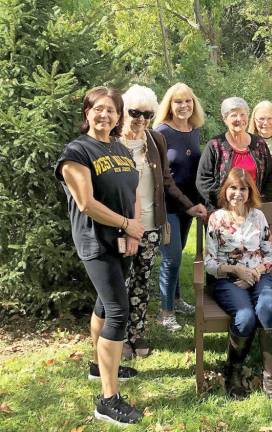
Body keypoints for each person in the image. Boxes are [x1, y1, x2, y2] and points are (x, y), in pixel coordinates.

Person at [55, 87, 144, 426]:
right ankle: (108, 399)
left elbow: (132, 189)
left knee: (105, 306)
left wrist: (133, 227)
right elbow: (86, 203)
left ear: (119, 116)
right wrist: (126, 225)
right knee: (119, 312)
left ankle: (99, 366)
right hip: (95, 241)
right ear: (87, 112)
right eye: (98, 109)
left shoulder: (120, 148)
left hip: (123, 238)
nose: (105, 115)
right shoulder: (76, 152)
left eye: (111, 110)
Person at [120, 84, 207, 358]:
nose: (184, 106)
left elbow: (179, 176)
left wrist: (191, 205)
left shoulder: (174, 135)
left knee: (160, 267)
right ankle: (146, 323)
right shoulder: (144, 137)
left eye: (188, 101)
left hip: (170, 214)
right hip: (144, 216)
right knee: (159, 265)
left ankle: (158, 315)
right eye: (135, 112)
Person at [205, 168, 272, 414]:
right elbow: (210, 263)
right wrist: (237, 271)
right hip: (227, 280)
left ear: (249, 192)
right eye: (233, 188)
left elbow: (271, 255)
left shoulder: (258, 217)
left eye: (243, 189)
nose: (238, 194)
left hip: (259, 276)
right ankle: (233, 372)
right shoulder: (216, 219)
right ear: (226, 190)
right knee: (244, 316)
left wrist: (253, 273)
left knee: (266, 308)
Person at [153, 83, 208, 331]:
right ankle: (165, 313)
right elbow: (162, 178)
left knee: (177, 252)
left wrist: (197, 202)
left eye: (188, 101)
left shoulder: (194, 130)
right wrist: (186, 205)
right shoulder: (160, 133)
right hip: (168, 206)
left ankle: (175, 300)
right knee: (171, 258)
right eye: (178, 102)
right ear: (169, 105)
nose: (184, 106)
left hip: (189, 205)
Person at [196, 97, 272, 212]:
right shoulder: (215, 145)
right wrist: (228, 204)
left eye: (243, 114)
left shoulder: (259, 144)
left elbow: (269, 178)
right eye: (234, 115)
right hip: (222, 212)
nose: (239, 119)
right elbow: (203, 180)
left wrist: (257, 205)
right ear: (225, 119)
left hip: (253, 212)